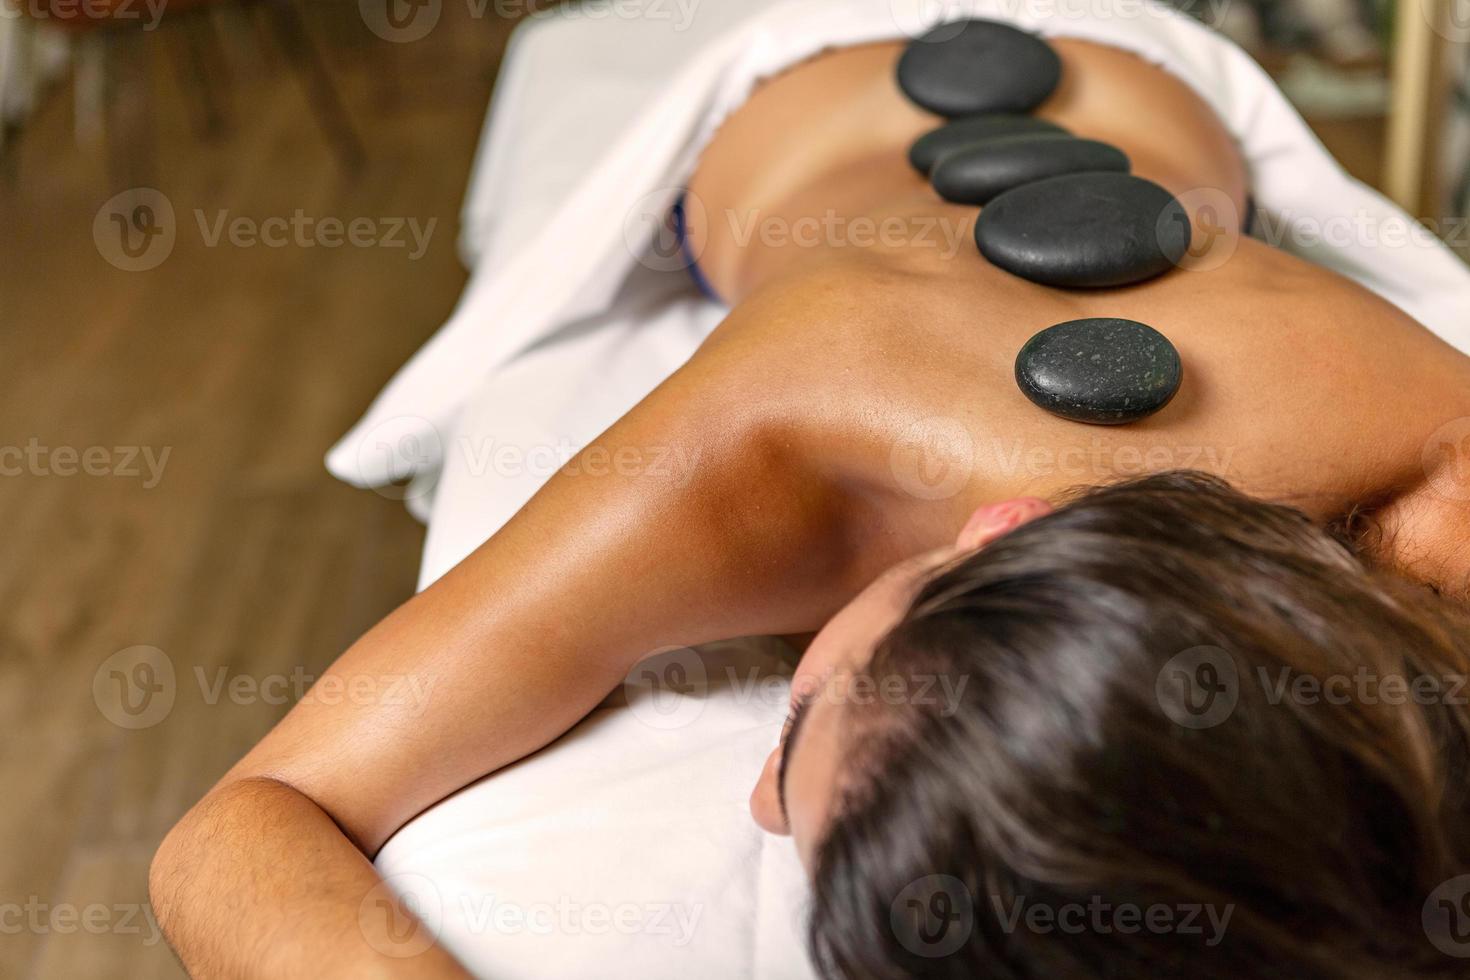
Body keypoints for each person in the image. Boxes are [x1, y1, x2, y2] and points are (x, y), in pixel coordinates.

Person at [150, 36, 1470, 978]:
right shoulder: (777, 442)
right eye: (793, 722)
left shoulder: (1427, 483)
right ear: (992, 532)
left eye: (787, 729)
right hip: (811, 75)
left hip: (1087, 94)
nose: (764, 809)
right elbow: (244, 828)